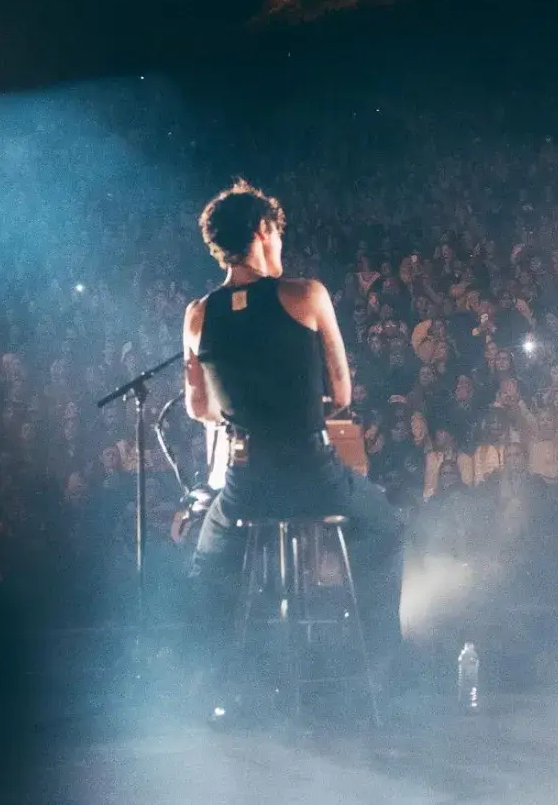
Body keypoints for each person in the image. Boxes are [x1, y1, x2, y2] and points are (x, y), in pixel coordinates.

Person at [183, 180, 403, 716]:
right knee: (387, 525)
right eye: (278, 233)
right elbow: (343, 393)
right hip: (312, 473)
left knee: (207, 563)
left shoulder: (197, 315)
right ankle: (378, 676)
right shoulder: (306, 295)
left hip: (247, 485)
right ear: (263, 231)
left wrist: (243, 410)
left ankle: (221, 689)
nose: (280, 245)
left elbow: (198, 409)